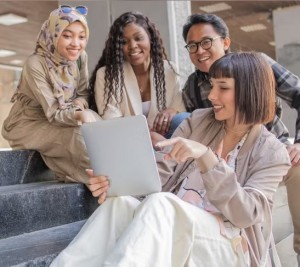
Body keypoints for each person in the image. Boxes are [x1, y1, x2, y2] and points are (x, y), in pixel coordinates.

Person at [50, 52, 290, 267]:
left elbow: (246, 214)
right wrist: (116, 183)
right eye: (212, 86)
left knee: (161, 203)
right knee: (120, 203)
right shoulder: (198, 121)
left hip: (229, 244)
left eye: (223, 88)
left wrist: (207, 158)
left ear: (250, 90)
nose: (212, 95)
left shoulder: (272, 152)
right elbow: (158, 173)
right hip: (176, 228)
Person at [180, 13, 300, 261]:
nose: (199, 50)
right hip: (225, 160)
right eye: (192, 46)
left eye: (206, 42)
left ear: (225, 42)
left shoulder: (258, 66)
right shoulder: (192, 86)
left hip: (273, 150)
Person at [2, 6, 99, 184]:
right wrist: (78, 114)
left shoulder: (80, 57)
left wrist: (79, 106)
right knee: (79, 139)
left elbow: (84, 93)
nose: (76, 43)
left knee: (101, 127)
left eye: (81, 37)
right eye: (67, 35)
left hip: (64, 114)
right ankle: (103, 183)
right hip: (28, 123)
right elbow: (53, 113)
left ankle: (115, 179)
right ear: (54, 34)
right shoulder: (35, 64)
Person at [88, 11, 185, 137]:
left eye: (138, 38)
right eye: (124, 42)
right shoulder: (107, 75)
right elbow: (111, 121)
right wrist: (148, 137)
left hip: (165, 141)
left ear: (150, 38)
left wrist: (173, 111)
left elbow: (180, 109)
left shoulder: (169, 70)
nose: (132, 46)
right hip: (127, 141)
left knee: (182, 118)